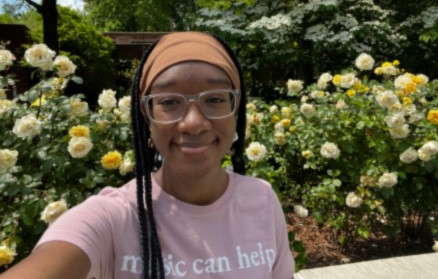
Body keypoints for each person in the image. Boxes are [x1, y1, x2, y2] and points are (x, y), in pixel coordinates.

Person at [0, 32, 295, 279]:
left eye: (215, 99)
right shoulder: (113, 217)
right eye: (169, 101)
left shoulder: (262, 200)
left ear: (236, 108)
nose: (193, 123)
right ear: (147, 115)